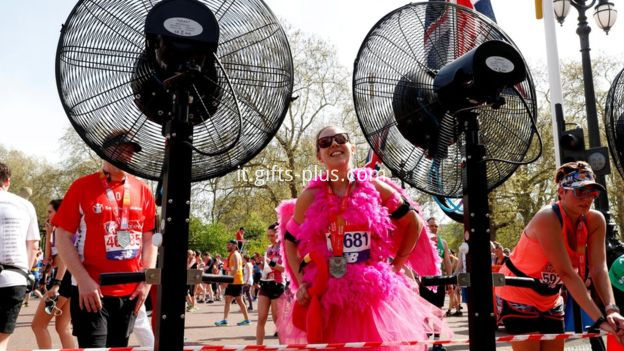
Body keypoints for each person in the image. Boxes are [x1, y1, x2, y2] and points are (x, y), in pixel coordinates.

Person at [278, 126, 448, 349]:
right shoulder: (309, 197)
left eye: (341, 139)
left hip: (373, 298)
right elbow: (289, 240)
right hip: (330, 299)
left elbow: (413, 222)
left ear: (352, 147)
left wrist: (396, 265)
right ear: (319, 156)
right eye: (325, 142)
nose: (334, 144)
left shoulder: (376, 188)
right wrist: (301, 283)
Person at [495, 161, 624, 351]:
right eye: (579, 191)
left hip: (551, 297)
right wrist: (600, 320)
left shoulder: (595, 220)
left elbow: (599, 269)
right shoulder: (548, 217)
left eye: (592, 192)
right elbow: (566, 273)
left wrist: (612, 310)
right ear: (561, 192)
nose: (587, 198)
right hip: (519, 293)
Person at [53, 132, 157, 348]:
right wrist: (82, 279)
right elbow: (62, 237)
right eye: (121, 150)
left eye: (130, 152)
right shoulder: (82, 187)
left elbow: (150, 240)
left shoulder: (143, 190)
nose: (126, 156)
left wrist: (146, 281)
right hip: (91, 291)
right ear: (105, 151)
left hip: (130, 293)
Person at [0, 162, 40, 351]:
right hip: (13, 277)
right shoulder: (25, 205)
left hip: (12, 277)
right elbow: (33, 246)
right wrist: (26, 276)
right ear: (7, 181)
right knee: (2, 340)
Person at [31, 199, 77, 349]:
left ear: (60, 211)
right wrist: (50, 233)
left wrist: (56, 284)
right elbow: (48, 259)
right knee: (63, 328)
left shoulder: (63, 229)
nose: (47, 215)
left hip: (62, 281)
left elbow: (65, 258)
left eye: (50, 212)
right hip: (68, 280)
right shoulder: (59, 230)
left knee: (38, 326)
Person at [256, 223, 285, 345]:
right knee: (261, 318)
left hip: (277, 284)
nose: (270, 238)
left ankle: (282, 346)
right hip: (265, 283)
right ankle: (258, 347)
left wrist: (271, 263)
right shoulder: (268, 249)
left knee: (276, 319)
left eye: (272, 235)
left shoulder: (283, 248)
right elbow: (265, 269)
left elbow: (283, 269)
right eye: (268, 236)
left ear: (278, 234)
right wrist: (260, 263)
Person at [214, 240, 251, 326]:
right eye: (227, 244)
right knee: (228, 300)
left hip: (235, 282)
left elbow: (237, 269)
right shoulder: (233, 254)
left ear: (235, 245)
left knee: (239, 301)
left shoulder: (235, 255)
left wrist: (228, 280)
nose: (227, 246)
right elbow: (233, 268)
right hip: (234, 281)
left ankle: (247, 320)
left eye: (229, 245)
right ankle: (225, 320)